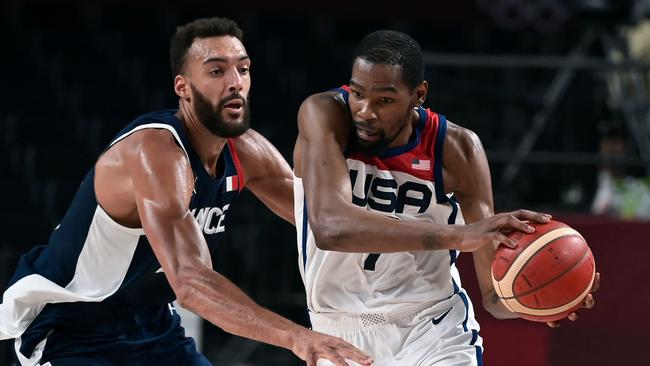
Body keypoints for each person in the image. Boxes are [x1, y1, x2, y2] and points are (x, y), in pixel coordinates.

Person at [0, 17, 373, 366]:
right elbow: (192, 283)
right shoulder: (156, 152)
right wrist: (296, 336)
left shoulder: (244, 149)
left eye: (242, 68)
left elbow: (321, 220)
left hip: (152, 324)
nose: (235, 82)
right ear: (183, 87)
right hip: (73, 327)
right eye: (216, 71)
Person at [293, 30, 599, 365]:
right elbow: (330, 228)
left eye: (384, 100)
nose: (365, 111)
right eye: (357, 93)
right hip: (337, 331)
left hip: (432, 328)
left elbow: (494, 298)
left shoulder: (457, 149)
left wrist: (541, 297)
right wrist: (459, 235)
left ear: (418, 94)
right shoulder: (324, 115)